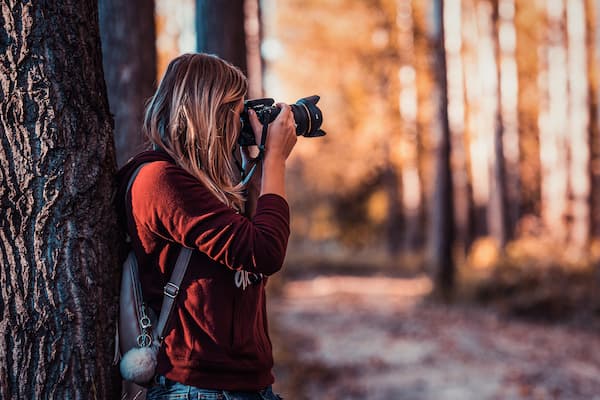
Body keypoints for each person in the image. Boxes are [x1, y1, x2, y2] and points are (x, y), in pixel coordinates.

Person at [116, 53, 297, 400]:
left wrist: (255, 163)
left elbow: (252, 250)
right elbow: (264, 252)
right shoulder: (160, 180)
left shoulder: (202, 184)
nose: (239, 123)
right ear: (209, 113)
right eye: (235, 111)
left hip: (244, 385)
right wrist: (275, 160)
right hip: (198, 388)